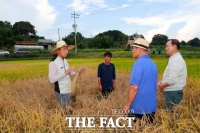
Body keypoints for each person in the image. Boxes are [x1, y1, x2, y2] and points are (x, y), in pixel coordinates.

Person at [124, 38, 158, 123]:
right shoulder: (153, 64)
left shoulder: (138, 64)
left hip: (138, 108)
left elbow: (134, 87)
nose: (132, 51)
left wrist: (127, 105)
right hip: (151, 108)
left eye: (133, 48)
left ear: (139, 50)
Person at [48, 40, 82, 109]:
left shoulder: (64, 60)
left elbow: (69, 73)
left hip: (68, 88)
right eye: (64, 49)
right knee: (64, 109)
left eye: (67, 49)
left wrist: (76, 73)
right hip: (61, 91)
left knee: (68, 107)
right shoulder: (53, 62)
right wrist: (65, 73)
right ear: (58, 51)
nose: (66, 51)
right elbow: (51, 79)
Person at [157, 39, 187, 111]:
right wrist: (163, 81)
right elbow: (172, 76)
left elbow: (172, 80)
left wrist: (162, 85)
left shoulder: (176, 60)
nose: (165, 48)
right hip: (173, 92)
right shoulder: (174, 58)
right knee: (172, 115)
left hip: (173, 93)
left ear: (174, 46)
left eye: (167, 46)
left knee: (171, 116)